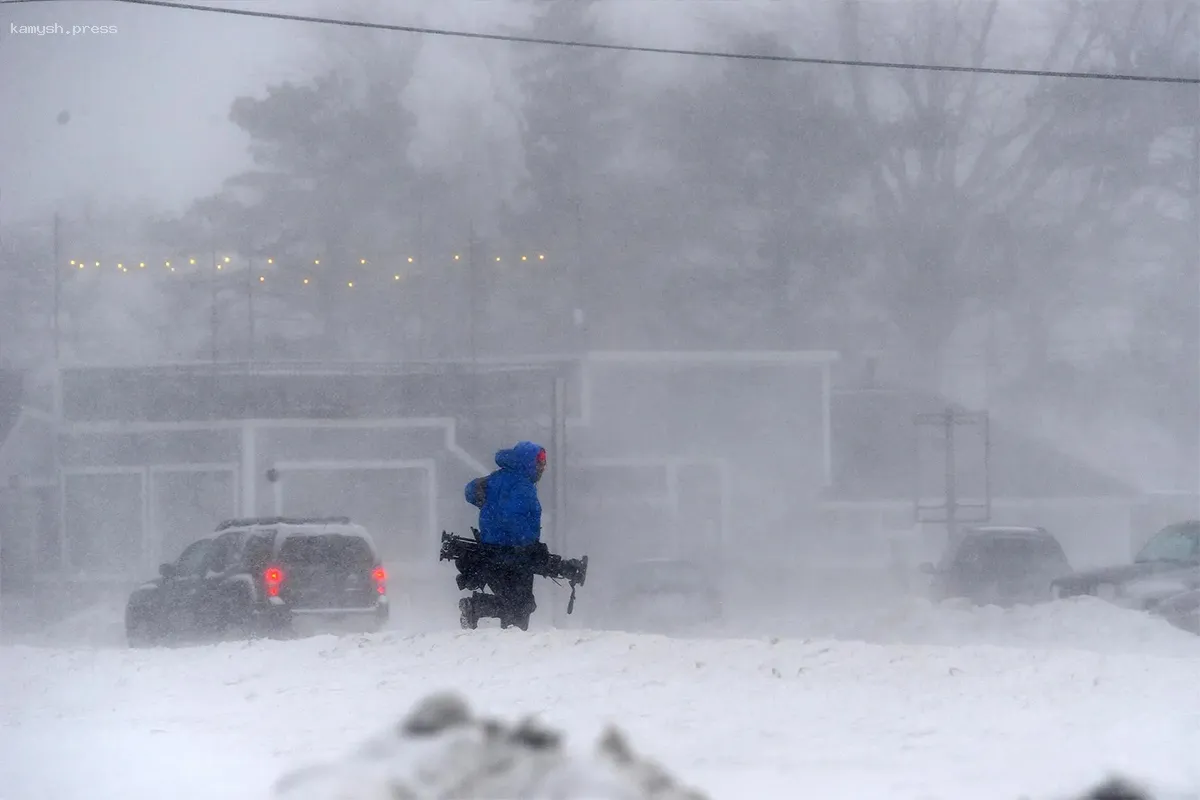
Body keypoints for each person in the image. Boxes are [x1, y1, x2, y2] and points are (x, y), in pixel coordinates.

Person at [460, 441, 547, 630]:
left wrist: (481, 493)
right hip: (516, 554)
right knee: (521, 605)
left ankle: (479, 609)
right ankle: (477, 608)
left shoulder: (496, 478)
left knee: (512, 602)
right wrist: (530, 545)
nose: (543, 468)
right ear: (527, 462)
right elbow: (513, 518)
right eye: (539, 463)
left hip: (490, 552)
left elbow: (471, 491)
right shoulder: (522, 485)